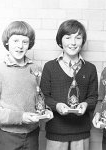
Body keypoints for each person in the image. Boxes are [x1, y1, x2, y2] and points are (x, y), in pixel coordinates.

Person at [0, 21, 53, 150]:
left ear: (29, 44)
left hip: (32, 135)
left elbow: (41, 98)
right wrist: (20, 117)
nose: (20, 46)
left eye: (24, 42)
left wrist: (47, 110)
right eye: (15, 41)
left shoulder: (36, 69)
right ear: (7, 42)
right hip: (8, 137)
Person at [40, 19, 98, 150]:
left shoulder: (90, 68)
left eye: (78, 38)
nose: (73, 42)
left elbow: (94, 98)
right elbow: (43, 97)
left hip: (81, 132)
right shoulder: (49, 67)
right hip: (56, 132)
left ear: (83, 41)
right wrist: (57, 105)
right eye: (68, 37)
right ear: (60, 41)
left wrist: (85, 104)